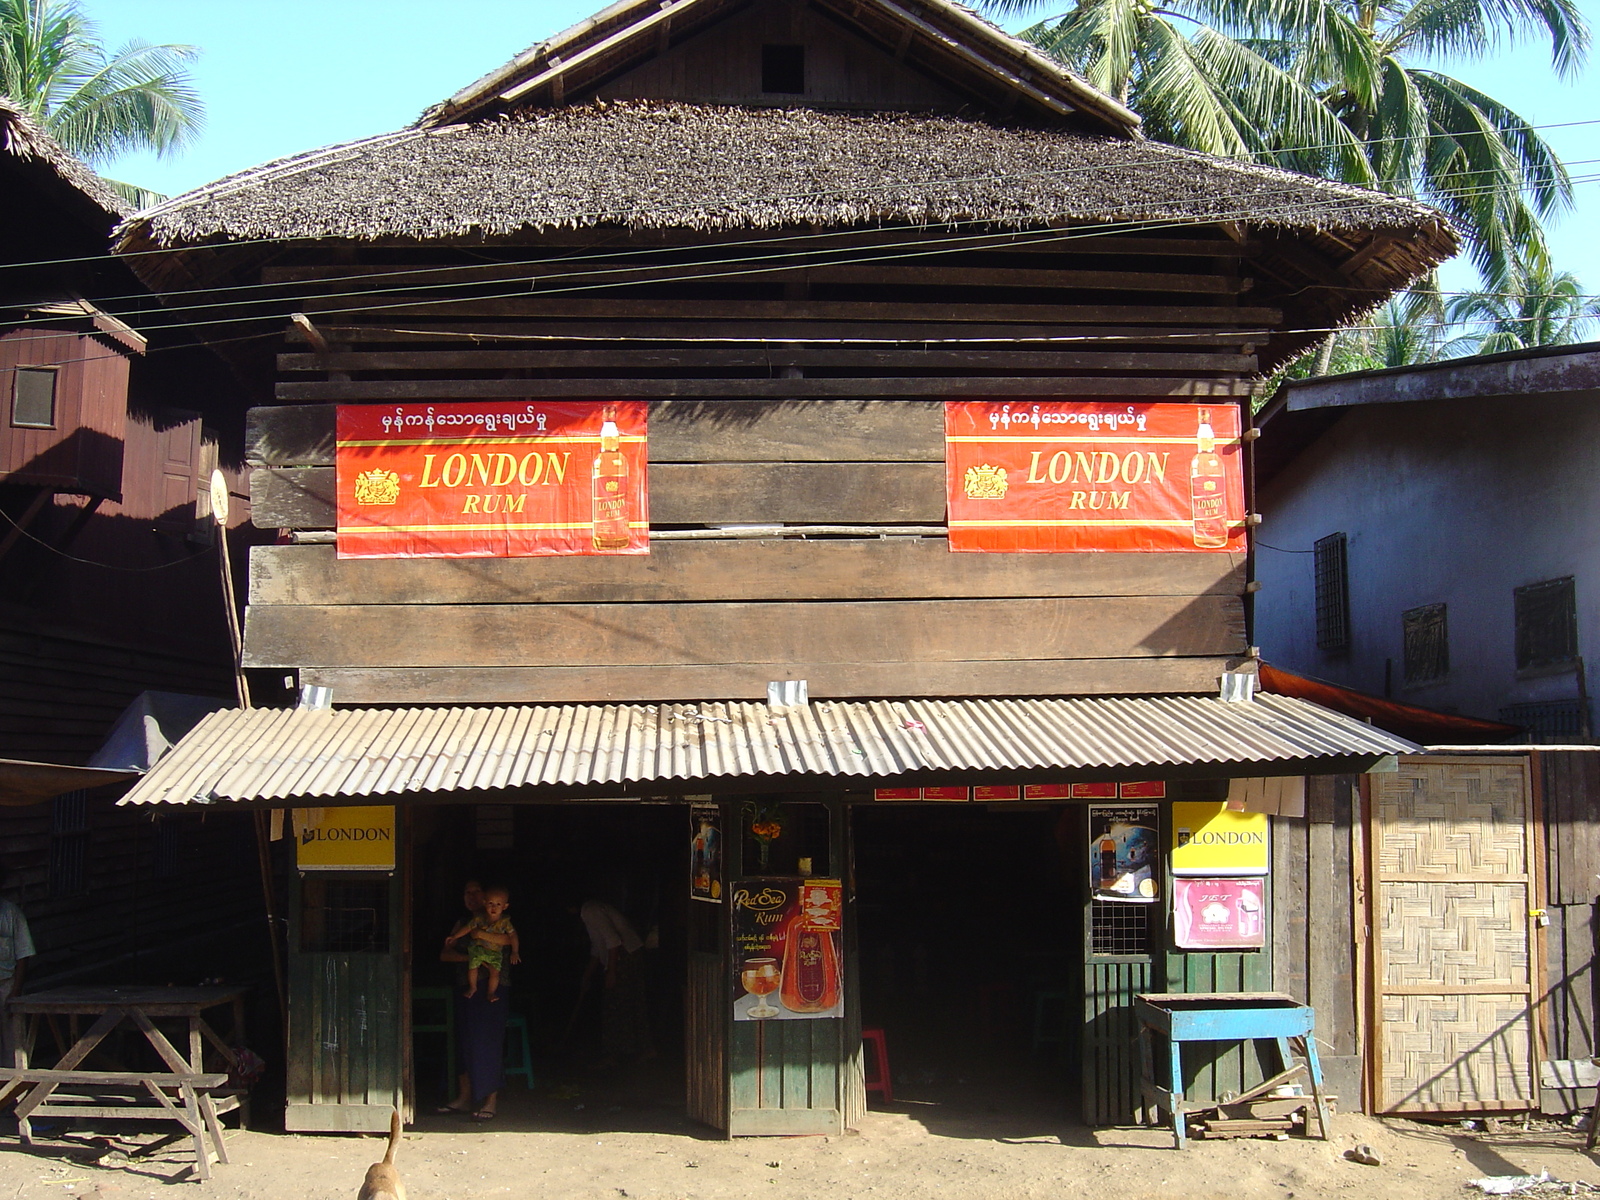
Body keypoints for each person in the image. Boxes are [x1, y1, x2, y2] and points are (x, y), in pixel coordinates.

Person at [438, 879, 514, 1120]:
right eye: (466, 892)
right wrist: (472, 959)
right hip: (467, 987)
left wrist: (480, 943)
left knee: (488, 1042)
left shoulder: (500, 923)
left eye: (475, 892)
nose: (470, 897)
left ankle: (490, 1101)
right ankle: (464, 1097)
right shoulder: (463, 924)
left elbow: (508, 943)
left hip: (492, 988)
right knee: (465, 1043)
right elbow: (445, 954)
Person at [576, 897, 652, 1068]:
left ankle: (619, 1053)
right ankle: (633, 1050)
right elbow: (597, 947)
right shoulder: (589, 912)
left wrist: (611, 971)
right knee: (627, 1003)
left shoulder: (591, 910)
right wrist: (587, 976)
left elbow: (613, 940)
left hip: (625, 956)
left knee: (618, 1004)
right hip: (624, 956)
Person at [449, 887, 519, 1002]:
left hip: (494, 952)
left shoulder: (505, 922)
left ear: (505, 906)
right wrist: (455, 936)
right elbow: (467, 928)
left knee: (495, 973)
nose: (493, 907)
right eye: (490, 903)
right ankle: (473, 987)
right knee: (472, 968)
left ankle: (491, 992)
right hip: (478, 949)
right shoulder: (479, 919)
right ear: (484, 903)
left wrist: (515, 952)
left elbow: (512, 937)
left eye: (498, 904)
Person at [0, 867, 35, 1067]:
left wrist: (15, 991)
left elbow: (24, 954)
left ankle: (13, 1091)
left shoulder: (11, 913)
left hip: (6, 984)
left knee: (11, 1041)